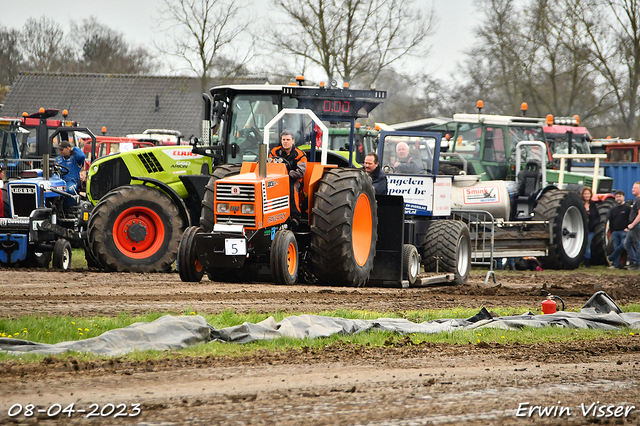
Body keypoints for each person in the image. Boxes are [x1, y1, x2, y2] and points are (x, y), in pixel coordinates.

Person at [269, 130, 307, 218]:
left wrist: (288, 173)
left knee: (291, 187)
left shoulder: (300, 154)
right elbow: (269, 164)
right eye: (283, 139)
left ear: (293, 141)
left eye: (288, 139)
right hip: (276, 178)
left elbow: (300, 173)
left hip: (294, 179)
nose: (285, 142)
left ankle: (295, 215)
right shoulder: (275, 151)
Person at [56, 138, 86, 208]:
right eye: (59, 150)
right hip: (60, 181)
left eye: (62, 150)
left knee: (70, 190)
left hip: (72, 181)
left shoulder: (76, 159)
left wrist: (74, 149)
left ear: (68, 148)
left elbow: (82, 156)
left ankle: (70, 208)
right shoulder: (58, 159)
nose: (60, 152)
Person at [607, 190, 632, 269]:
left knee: (623, 245)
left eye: (620, 196)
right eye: (617, 197)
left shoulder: (627, 208)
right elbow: (611, 220)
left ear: (623, 197)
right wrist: (612, 231)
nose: (618, 198)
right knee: (616, 247)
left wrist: (628, 227)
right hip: (615, 232)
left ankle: (611, 257)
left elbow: (631, 219)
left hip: (624, 232)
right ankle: (615, 265)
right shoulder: (613, 210)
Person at [623, 181, 640, 270]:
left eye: (635, 188)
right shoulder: (636, 200)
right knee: (627, 244)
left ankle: (637, 263)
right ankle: (633, 261)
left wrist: (633, 224)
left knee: (637, 244)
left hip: (636, 226)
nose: (633, 189)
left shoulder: (639, 200)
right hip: (633, 226)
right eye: (633, 187)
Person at [581, 187, 599, 268]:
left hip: (590, 229)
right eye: (585, 194)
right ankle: (581, 261)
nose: (587, 195)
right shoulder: (580, 205)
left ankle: (587, 262)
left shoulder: (593, 205)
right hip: (581, 229)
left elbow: (597, 217)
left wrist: (593, 225)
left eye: (588, 193)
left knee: (587, 245)